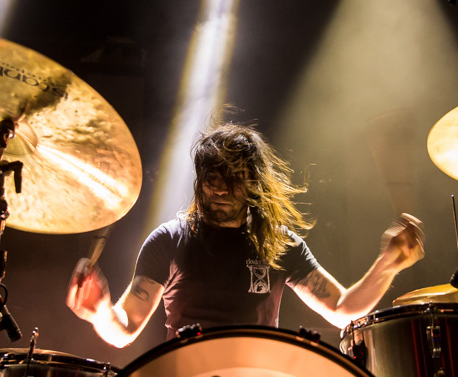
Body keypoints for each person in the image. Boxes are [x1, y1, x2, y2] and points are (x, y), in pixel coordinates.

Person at [67, 123, 425, 348]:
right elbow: (126, 327)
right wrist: (100, 313)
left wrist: (386, 267)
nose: (220, 189)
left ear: (253, 182)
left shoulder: (279, 243)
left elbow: (344, 310)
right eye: (211, 178)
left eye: (232, 178)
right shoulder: (168, 241)